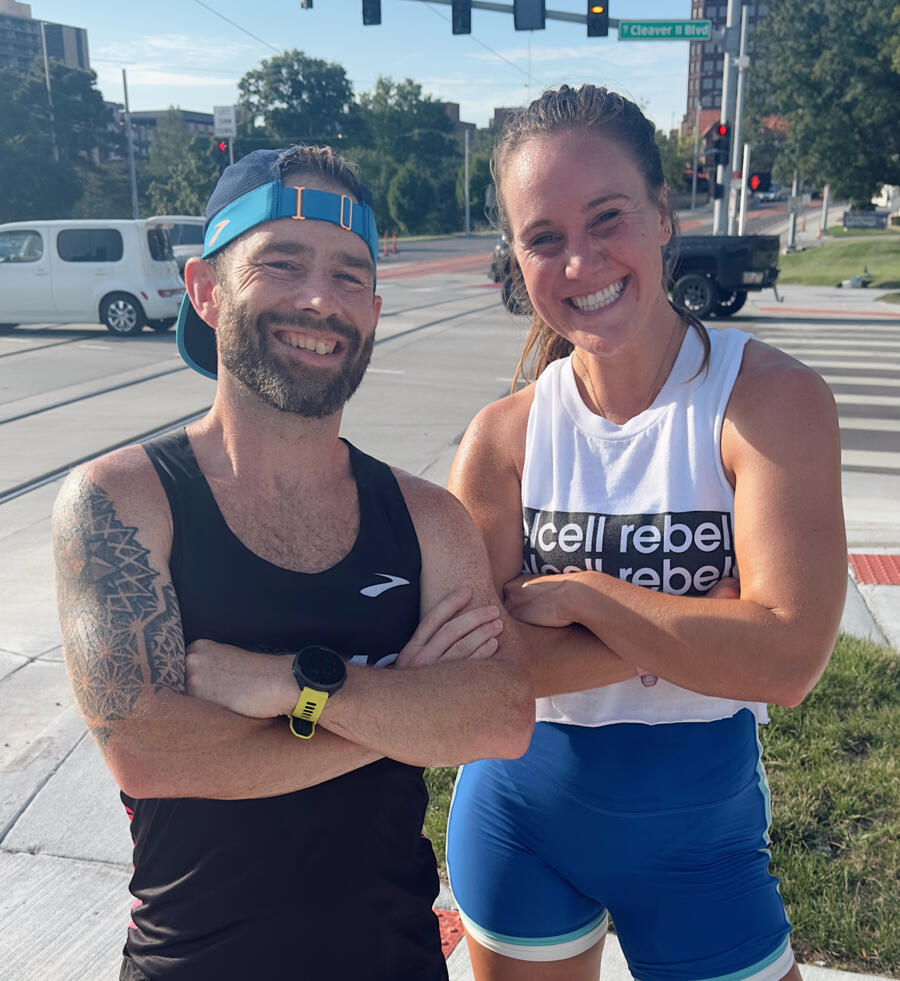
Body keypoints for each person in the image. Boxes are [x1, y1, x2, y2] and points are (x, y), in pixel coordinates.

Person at [51, 144, 538, 981]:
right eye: (281, 263)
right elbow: (152, 753)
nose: (320, 298)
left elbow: (500, 716)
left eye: (350, 276)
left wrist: (293, 685)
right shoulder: (120, 502)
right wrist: (402, 707)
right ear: (205, 290)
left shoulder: (427, 518)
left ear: (374, 312)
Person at [444, 85, 847, 981]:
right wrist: (698, 628)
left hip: (701, 844)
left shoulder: (767, 402)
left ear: (664, 214)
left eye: (607, 217)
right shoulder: (502, 437)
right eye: (543, 237)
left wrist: (585, 596)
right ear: (516, 258)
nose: (580, 260)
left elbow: (785, 662)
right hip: (517, 826)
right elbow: (477, 670)